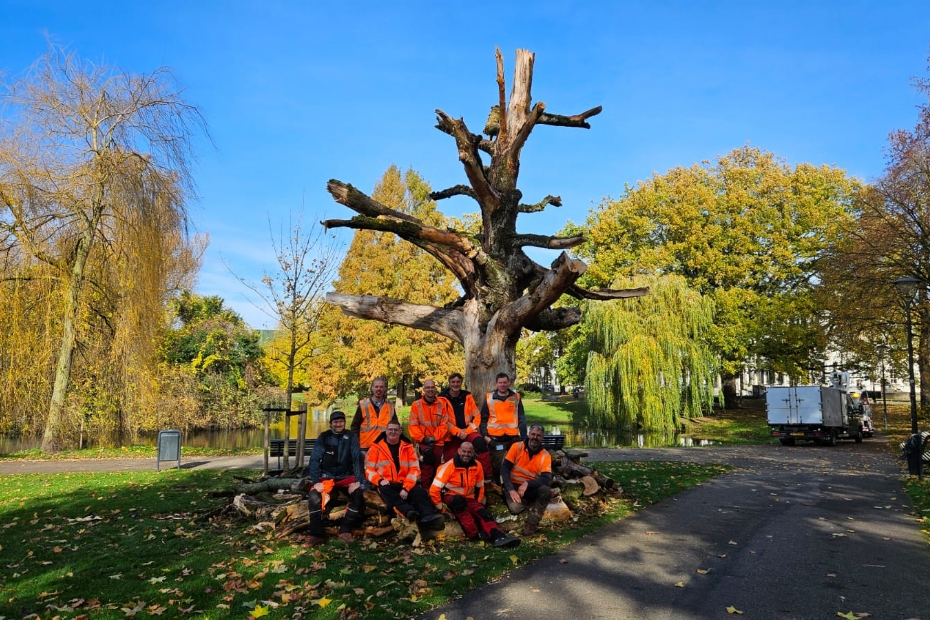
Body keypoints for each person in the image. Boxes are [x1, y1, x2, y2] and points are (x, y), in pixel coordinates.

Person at [430, 441, 521, 548]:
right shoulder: (449, 467)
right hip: (452, 498)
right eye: (464, 451)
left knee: (484, 513)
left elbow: (480, 487)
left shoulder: (477, 466)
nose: (466, 454)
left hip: (470, 499)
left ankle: (499, 537)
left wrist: (478, 503)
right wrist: (442, 510)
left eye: (469, 452)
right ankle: (475, 535)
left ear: (473, 453)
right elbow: (434, 489)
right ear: (459, 451)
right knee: (461, 506)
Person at [365, 420, 446, 532]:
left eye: (395, 430)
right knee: (390, 496)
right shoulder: (376, 448)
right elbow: (368, 469)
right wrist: (379, 480)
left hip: (405, 482)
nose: (393, 432)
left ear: (400, 431)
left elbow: (415, 470)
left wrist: (406, 488)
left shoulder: (408, 447)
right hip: (386, 483)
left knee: (420, 493)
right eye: (390, 429)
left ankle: (429, 517)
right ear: (386, 431)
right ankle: (409, 513)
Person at [305, 411, 365, 546]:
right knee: (314, 495)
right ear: (331, 423)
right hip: (327, 477)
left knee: (358, 494)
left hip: (346, 476)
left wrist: (358, 481)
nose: (339, 424)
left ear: (345, 422)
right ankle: (316, 534)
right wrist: (316, 482)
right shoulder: (324, 437)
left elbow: (357, 459)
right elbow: (314, 460)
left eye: (341, 421)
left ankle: (345, 530)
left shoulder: (351, 436)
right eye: (336, 422)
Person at [439, 372, 493, 481]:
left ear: (461, 383)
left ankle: (488, 477)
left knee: (480, 442)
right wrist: (458, 432)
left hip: (467, 431)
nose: (455, 384)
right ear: (449, 383)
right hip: (450, 434)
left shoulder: (467, 396)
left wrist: (467, 431)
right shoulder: (441, 398)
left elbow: (477, 416)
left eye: (458, 382)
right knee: (451, 459)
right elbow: (442, 420)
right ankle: (450, 481)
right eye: (453, 382)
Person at [501, 424, 553, 536]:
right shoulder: (516, 447)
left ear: (542, 438)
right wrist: (510, 489)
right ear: (529, 434)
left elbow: (546, 479)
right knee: (515, 509)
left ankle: (531, 524)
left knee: (546, 490)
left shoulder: (545, 455)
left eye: (538, 435)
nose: (535, 437)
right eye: (533, 434)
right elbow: (505, 469)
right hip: (513, 486)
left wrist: (527, 484)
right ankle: (523, 501)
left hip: (531, 488)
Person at [479, 372, 527, 481]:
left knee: (518, 462)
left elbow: (522, 419)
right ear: (496, 384)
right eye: (500, 383)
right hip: (495, 440)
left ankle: (515, 484)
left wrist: (524, 438)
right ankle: (496, 486)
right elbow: (483, 419)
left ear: (509, 383)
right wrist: (485, 437)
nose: (502, 385)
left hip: (513, 438)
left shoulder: (516, 397)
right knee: (496, 464)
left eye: (505, 382)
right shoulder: (489, 398)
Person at [408, 378, 450, 489]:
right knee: (428, 459)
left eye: (432, 387)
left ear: (435, 389)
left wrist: (434, 437)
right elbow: (413, 426)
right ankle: (425, 488)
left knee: (438, 466)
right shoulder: (416, 405)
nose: (430, 390)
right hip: (423, 441)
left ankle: (435, 489)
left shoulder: (441, 404)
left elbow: (444, 424)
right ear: (424, 389)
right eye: (428, 387)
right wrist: (423, 439)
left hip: (438, 441)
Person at [351, 376, 397, 450]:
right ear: (372, 388)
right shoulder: (363, 405)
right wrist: (355, 445)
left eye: (381, 387)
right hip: (365, 447)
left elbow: (396, 427)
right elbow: (354, 427)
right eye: (376, 387)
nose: (379, 389)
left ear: (385, 389)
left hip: (384, 447)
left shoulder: (390, 405)